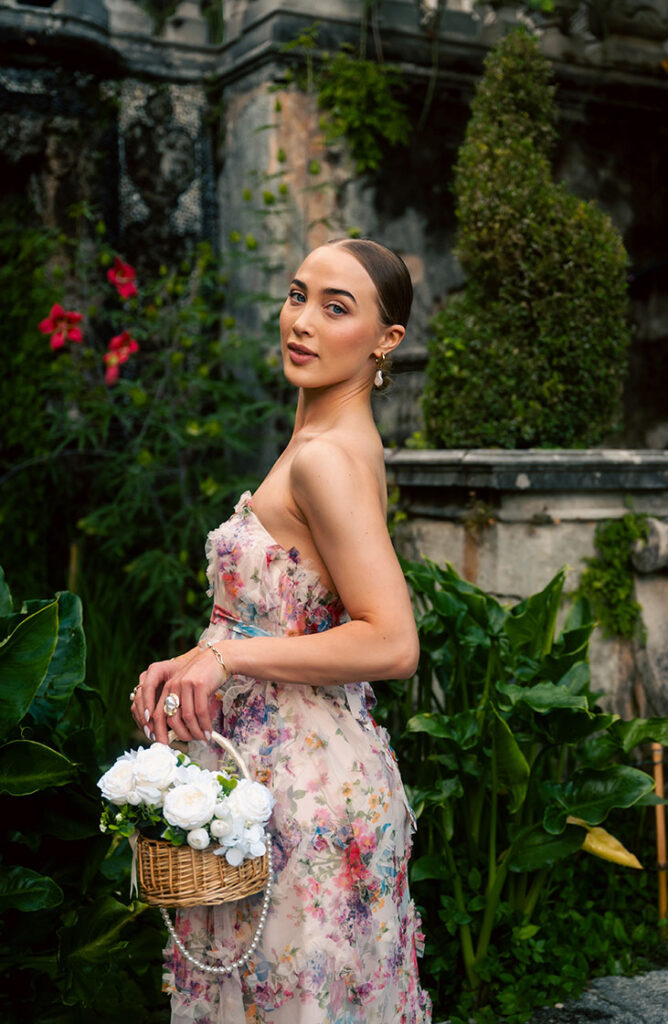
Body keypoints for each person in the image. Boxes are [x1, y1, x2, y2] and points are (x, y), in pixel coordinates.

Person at [131, 238, 433, 1024]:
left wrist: (224, 658)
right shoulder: (325, 441)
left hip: (299, 792)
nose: (301, 321)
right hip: (281, 769)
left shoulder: (326, 459)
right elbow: (292, 610)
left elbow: (392, 642)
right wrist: (196, 656)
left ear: (384, 340)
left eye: (336, 308)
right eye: (298, 295)